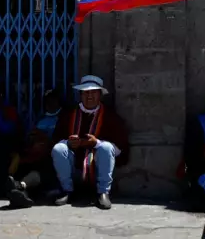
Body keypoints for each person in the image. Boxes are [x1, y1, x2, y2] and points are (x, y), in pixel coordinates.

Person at [51, 75, 129, 210]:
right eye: (86, 92)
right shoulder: (69, 115)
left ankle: (103, 192)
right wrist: (68, 143)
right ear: (80, 95)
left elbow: (120, 149)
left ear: (100, 95)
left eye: (93, 92)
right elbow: (54, 141)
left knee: (106, 147)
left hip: (98, 168)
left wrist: (96, 143)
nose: (89, 96)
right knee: (59, 148)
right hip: (74, 167)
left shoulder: (110, 117)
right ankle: (67, 190)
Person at [7, 89, 65, 208]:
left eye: (53, 101)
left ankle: (20, 187)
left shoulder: (64, 118)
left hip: (51, 155)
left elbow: (64, 143)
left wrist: (46, 140)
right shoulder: (41, 118)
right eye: (47, 101)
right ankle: (20, 192)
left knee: (42, 168)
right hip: (34, 153)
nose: (50, 104)